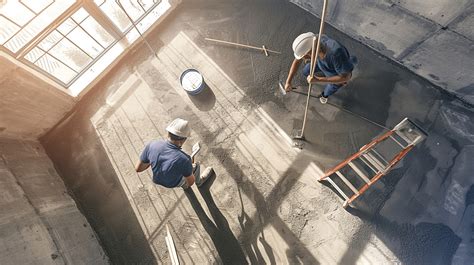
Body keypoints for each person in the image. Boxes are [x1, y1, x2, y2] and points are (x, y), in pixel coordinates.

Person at [135, 118, 212, 189]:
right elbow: (190, 182)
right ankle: (199, 182)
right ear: (182, 140)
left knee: (184, 167)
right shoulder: (184, 159)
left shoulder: (152, 145)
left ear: (168, 133)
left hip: (157, 180)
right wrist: (188, 167)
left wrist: (154, 159)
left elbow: (138, 169)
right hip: (173, 183)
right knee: (196, 166)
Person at [285, 32, 357, 104]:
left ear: (310, 52)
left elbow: (347, 77)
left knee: (333, 86)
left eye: (304, 56)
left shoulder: (336, 54)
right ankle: (347, 63)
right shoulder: (313, 40)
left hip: (332, 68)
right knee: (306, 70)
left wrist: (318, 79)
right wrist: (288, 82)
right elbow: (297, 61)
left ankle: (324, 95)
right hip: (319, 61)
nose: (303, 59)